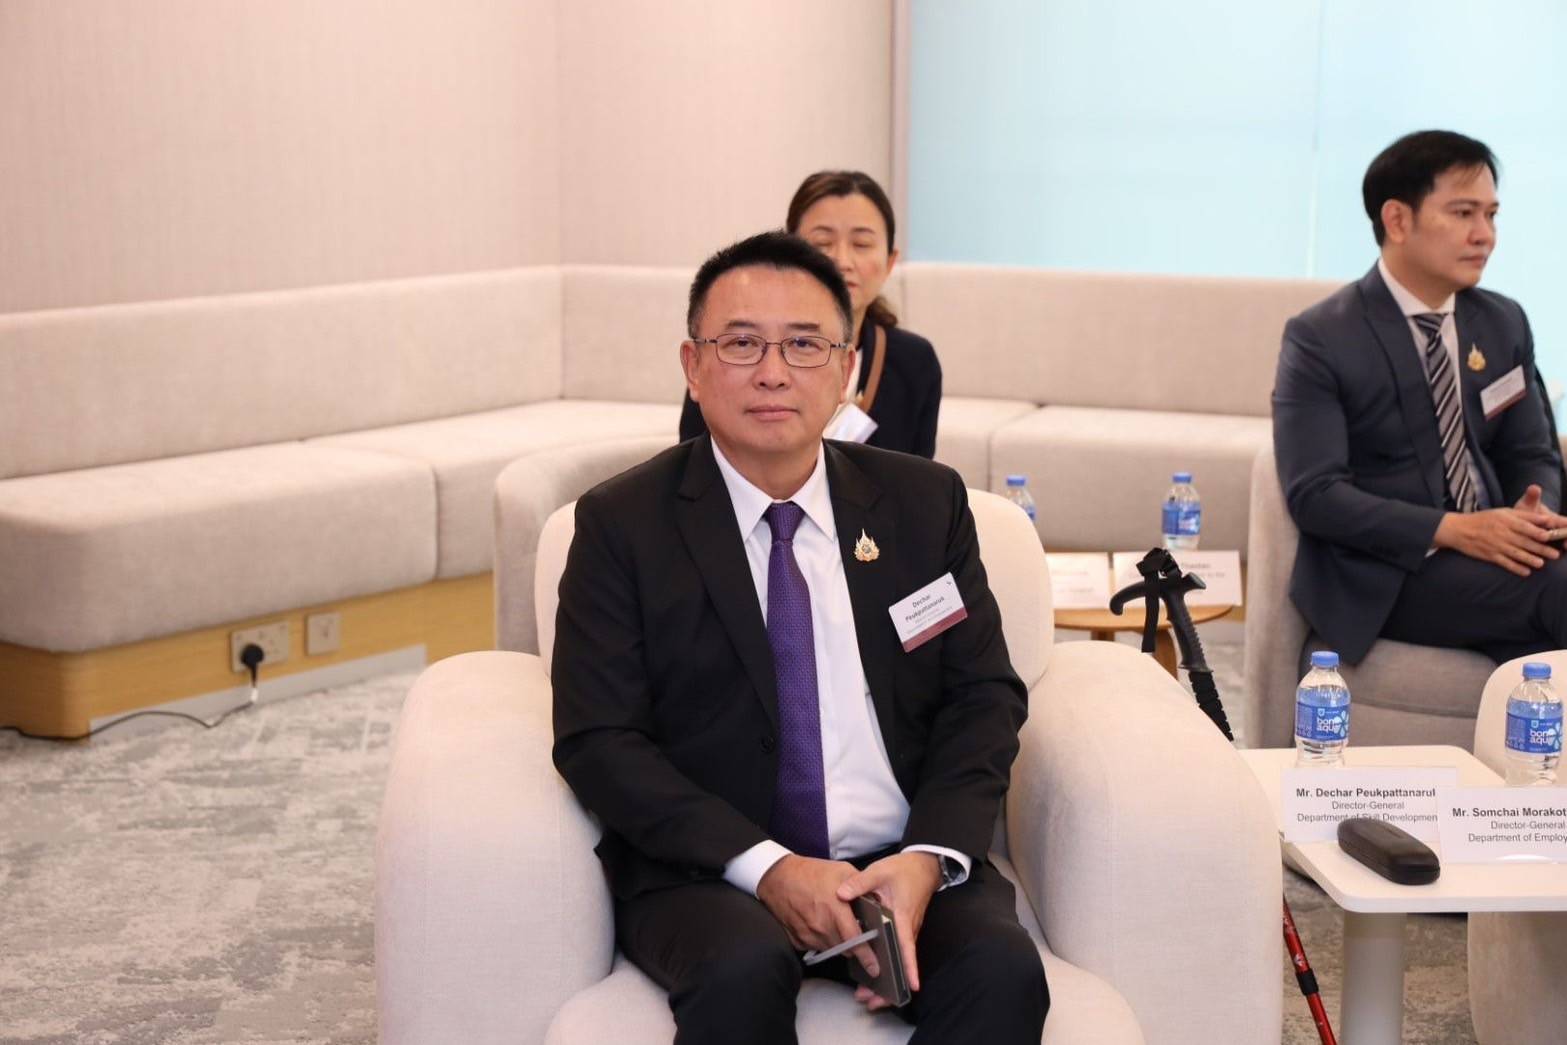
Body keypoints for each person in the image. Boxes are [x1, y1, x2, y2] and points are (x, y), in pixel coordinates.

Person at [554, 231, 1047, 1043]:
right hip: (714, 873)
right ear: (692, 365)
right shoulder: (621, 525)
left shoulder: (922, 504)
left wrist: (925, 858)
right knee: (740, 973)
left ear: (845, 367)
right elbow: (598, 738)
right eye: (741, 343)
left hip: (897, 855)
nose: (773, 372)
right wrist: (768, 866)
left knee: (1001, 971)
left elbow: (981, 695)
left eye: (804, 344)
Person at [1274, 129, 1567, 666]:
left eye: (1491, 215)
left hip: (1499, 553)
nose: (1485, 235)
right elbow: (1316, 495)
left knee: (1542, 649)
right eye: (1463, 213)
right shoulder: (1322, 337)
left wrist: (1535, 515)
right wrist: (1457, 531)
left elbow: (1532, 451)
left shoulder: (1503, 321)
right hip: (1393, 571)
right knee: (1557, 586)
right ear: (1397, 220)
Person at [678, 170, 943, 458]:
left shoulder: (914, 361)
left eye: (862, 245)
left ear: (890, 262)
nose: (842, 261)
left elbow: (918, 476)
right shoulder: (729, 351)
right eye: (822, 243)